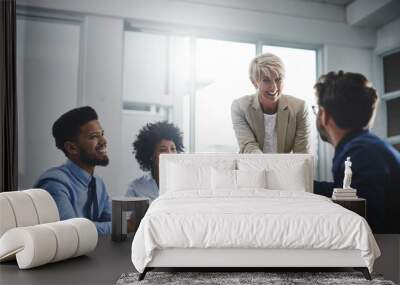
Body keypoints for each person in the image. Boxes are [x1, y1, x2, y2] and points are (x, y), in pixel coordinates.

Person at [313, 71, 400, 234]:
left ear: (324, 115)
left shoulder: (359, 154)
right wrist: (304, 186)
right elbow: (350, 191)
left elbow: (363, 228)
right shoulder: (368, 148)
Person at [34, 106, 112, 235]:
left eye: (101, 134)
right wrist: (122, 226)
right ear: (71, 148)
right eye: (93, 137)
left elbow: (114, 223)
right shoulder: (54, 184)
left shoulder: (98, 183)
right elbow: (72, 231)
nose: (104, 141)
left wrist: (122, 225)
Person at [231, 53, 311, 153]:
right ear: (254, 82)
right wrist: (267, 167)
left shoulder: (299, 108)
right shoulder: (240, 107)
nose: (274, 87)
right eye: (266, 80)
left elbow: (301, 153)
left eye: (278, 79)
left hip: (285, 167)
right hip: (252, 166)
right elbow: (249, 146)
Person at [126, 121, 184, 201]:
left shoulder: (185, 185)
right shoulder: (136, 188)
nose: (169, 154)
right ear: (150, 155)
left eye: (173, 149)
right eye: (163, 150)